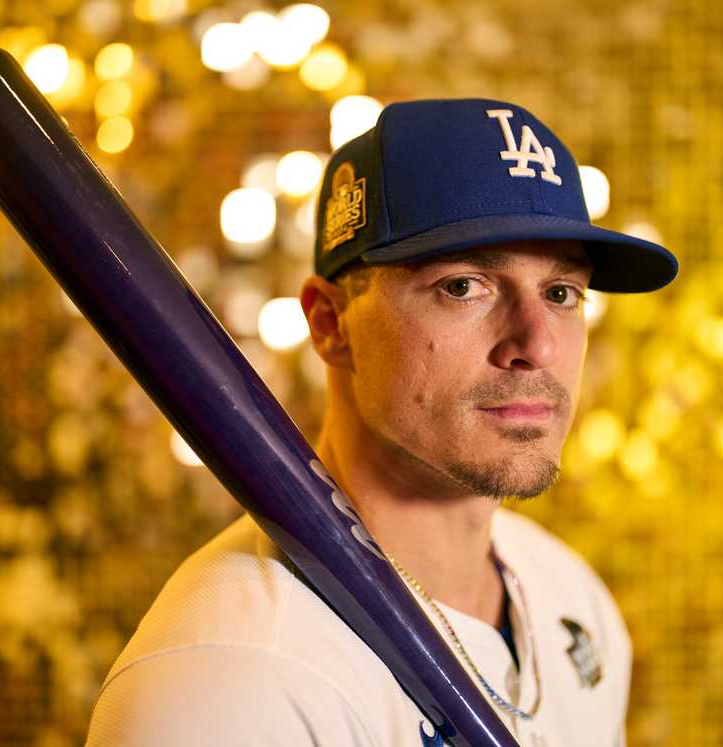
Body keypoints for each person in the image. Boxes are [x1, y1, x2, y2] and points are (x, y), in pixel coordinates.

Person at [85, 98, 678, 746]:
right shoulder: (230, 681)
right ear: (330, 322)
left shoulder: (570, 598)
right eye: (463, 286)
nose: (536, 344)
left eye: (561, 293)